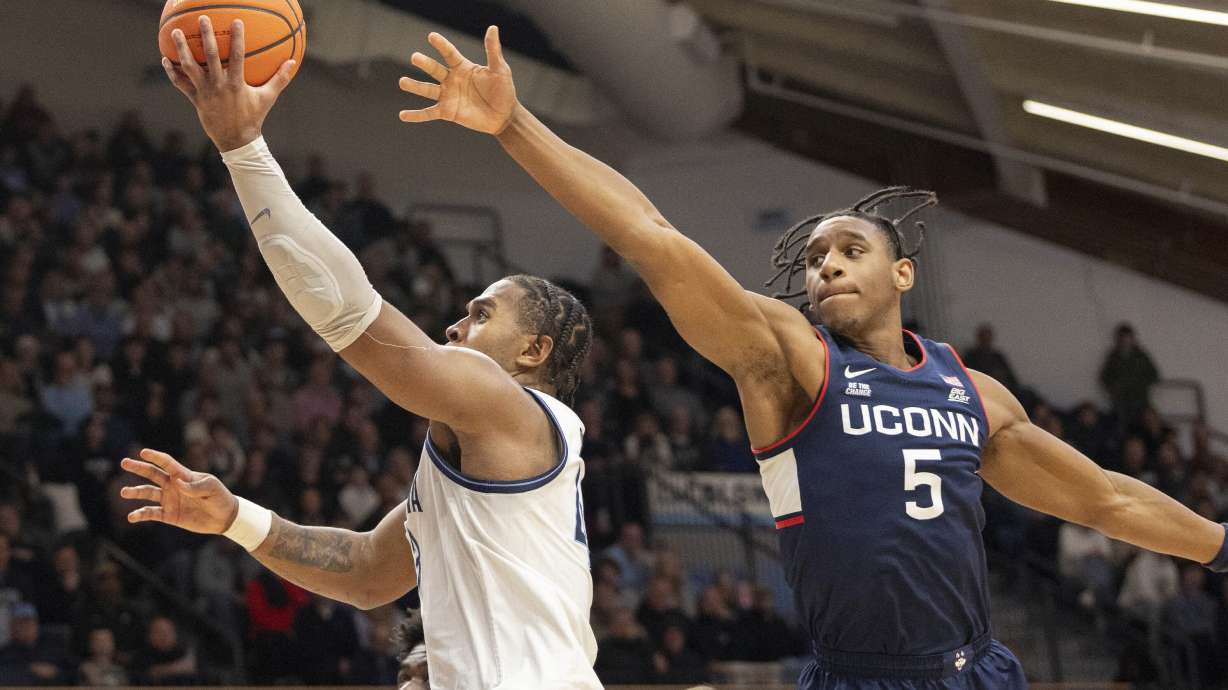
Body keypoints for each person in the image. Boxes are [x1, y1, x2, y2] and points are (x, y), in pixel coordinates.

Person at [396, 27, 1228, 688]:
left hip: (978, 670)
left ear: (901, 272)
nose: (824, 263)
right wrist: (514, 124)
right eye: (815, 255)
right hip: (856, 677)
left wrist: (1219, 546)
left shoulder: (974, 393)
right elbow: (651, 237)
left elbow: (1109, 502)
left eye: (849, 249)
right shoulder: (789, 363)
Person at [123, 17, 599, 689]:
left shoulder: (508, 405)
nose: (455, 327)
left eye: (480, 313)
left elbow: (351, 312)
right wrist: (234, 517)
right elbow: (367, 573)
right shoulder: (493, 467)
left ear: (533, 349)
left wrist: (242, 147)